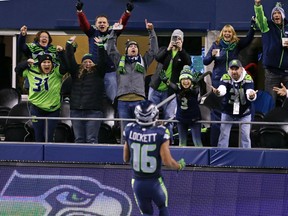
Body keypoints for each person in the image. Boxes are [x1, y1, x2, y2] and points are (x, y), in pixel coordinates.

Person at [123, 100, 186, 216]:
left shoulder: (129, 129)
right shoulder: (161, 132)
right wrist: (179, 165)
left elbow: (126, 158)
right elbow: (167, 162)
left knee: (146, 213)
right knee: (163, 208)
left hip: (137, 182)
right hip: (154, 182)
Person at [203, 20, 256, 146]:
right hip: (219, 81)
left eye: (229, 32)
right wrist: (211, 55)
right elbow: (205, 61)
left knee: (236, 103)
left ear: (233, 34)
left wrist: (252, 27)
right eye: (225, 31)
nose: (227, 33)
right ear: (222, 33)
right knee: (218, 112)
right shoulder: (216, 45)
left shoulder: (236, 44)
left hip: (235, 80)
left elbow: (248, 40)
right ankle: (216, 146)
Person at [75, 0, 134, 103]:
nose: (102, 24)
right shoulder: (92, 32)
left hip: (110, 69)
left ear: (108, 24)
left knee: (112, 93)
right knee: (93, 95)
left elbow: (122, 23)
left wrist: (127, 12)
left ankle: (115, 109)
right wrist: (80, 12)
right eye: (99, 22)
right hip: (95, 69)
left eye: (104, 22)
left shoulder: (113, 32)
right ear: (96, 24)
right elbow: (84, 24)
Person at [107, 19, 158, 130]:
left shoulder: (143, 61)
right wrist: (114, 32)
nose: (133, 47)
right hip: (122, 101)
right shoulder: (119, 60)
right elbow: (110, 49)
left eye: (135, 46)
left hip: (139, 101)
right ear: (126, 50)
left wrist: (151, 32)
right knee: (125, 131)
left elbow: (154, 51)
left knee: (140, 130)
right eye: (130, 46)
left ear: (138, 50)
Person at [149, 29, 192, 141]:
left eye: (179, 38)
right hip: (155, 87)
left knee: (169, 116)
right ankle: (152, 138)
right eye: (174, 38)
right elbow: (158, 58)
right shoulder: (164, 49)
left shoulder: (183, 54)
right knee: (151, 115)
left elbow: (188, 62)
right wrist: (168, 49)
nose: (176, 40)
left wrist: (181, 49)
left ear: (182, 40)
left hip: (171, 91)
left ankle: (169, 140)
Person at [14, 50, 67, 142]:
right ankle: (39, 156)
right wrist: (26, 63)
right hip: (36, 108)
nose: (47, 65)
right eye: (44, 62)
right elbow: (17, 70)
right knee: (38, 135)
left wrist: (62, 53)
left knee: (49, 136)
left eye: (49, 62)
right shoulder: (31, 71)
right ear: (39, 64)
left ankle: (49, 155)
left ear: (52, 64)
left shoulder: (56, 72)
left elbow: (66, 66)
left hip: (53, 109)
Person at [64, 36, 106, 143]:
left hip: (94, 111)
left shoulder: (99, 72)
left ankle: (92, 160)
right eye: (85, 62)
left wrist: (101, 46)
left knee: (91, 139)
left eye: (90, 62)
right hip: (76, 111)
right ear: (82, 63)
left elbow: (103, 60)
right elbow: (70, 59)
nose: (87, 64)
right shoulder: (76, 72)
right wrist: (69, 44)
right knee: (79, 139)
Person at [212, 59, 257, 148]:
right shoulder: (225, 77)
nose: (234, 71)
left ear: (241, 69)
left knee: (245, 137)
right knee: (223, 136)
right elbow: (222, 88)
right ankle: (221, 156)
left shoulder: (247, 78)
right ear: (228, 70)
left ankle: (246, 158)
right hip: (228, 111)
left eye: (236, 69)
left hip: (244, 113)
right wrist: (218, 92)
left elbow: (249, 90)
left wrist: (251, 95)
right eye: (232, 69)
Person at [160, 65, 205, 147]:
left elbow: (194, 91)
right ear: (180, 80)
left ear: (191, 80)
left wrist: (194, 84)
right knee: (182, 143)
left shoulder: (195, 87)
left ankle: (201, 160)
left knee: (197, 142)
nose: (186, 81)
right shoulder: (178, 88)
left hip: (194, 120)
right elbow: (173, 86)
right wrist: (166, 81)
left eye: (188, 79)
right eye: (183, 79)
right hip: (181, 120)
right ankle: (181, 160)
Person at [254, 0, 288, 103]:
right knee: (269, 101)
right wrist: (258, 6)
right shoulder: (267, 26)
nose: (276, 15)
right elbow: (260, 18)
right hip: (272, 72)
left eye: (278, 13)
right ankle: (269, 119)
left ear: (282, 15)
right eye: (274, 13)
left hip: (287, 72)